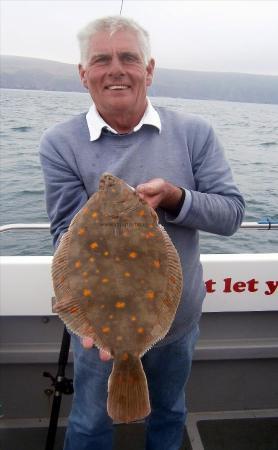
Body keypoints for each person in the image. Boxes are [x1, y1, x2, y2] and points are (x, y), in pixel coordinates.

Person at [39, 16, 245, 450]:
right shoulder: (60, 142)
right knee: (90, 422)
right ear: (83, 74)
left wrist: (174, 198)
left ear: (148, 70)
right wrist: (80, 303)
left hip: (177, 320)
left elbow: (231, 215)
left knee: (170, 412)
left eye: (128, 57)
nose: (115, 68)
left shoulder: (194, 133)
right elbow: (62, 233)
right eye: (101, 59)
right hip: (97, 329)